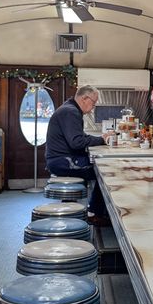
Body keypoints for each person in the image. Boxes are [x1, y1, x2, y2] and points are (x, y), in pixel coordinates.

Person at [46, 86, 113, 223]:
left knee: (98, 168)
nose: (93, 107)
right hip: (63, 161)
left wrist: (100, 138)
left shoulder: (69, 109)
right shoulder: (71, 112)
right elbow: (76, 142)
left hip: (59, 160)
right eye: (93, 103)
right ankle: (94, 213)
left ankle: (76, 208)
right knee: (105, 172)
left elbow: (79, 137)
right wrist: (102, 139)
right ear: (84, 98)